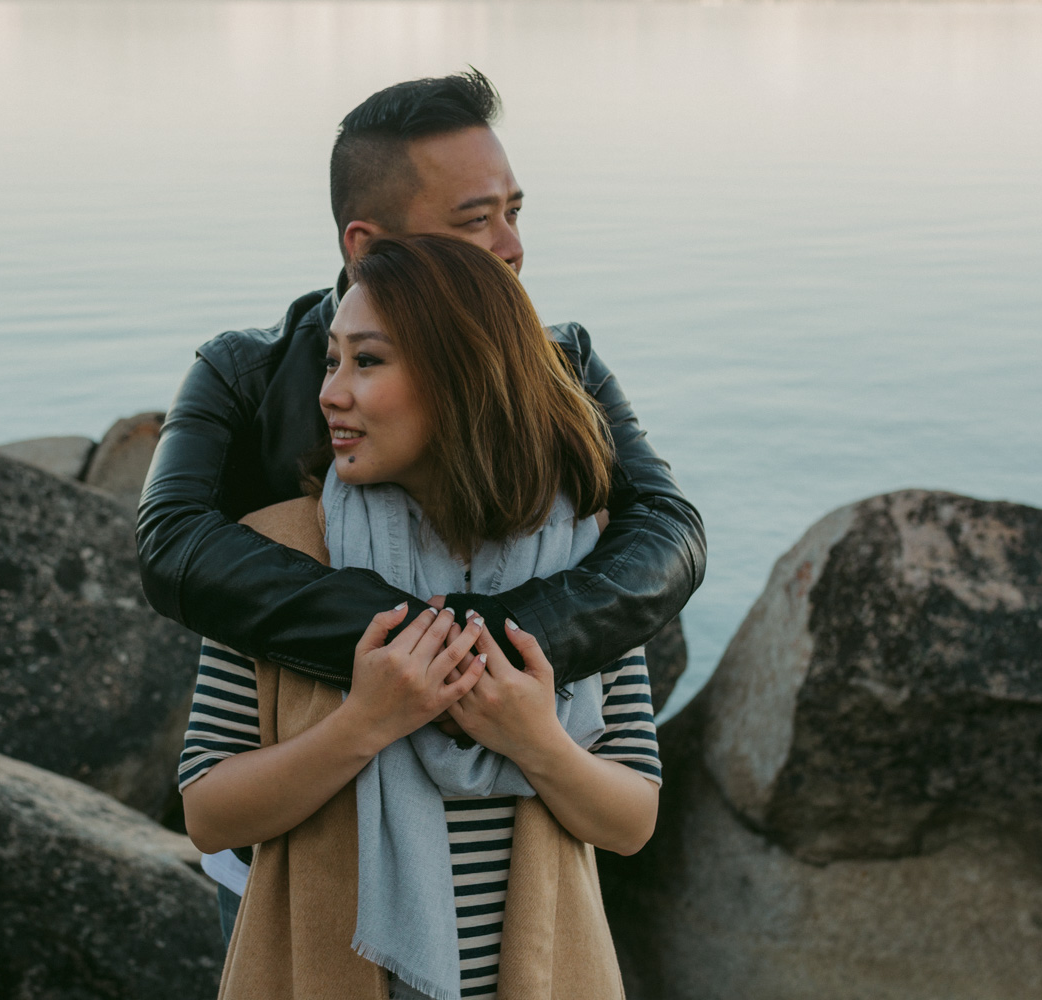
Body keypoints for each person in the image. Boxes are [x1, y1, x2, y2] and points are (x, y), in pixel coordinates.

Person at [137, 67, 702, 944]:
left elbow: (668, 533)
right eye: (476, 220)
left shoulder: (562, 369)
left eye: (515, 211)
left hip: (512, 891)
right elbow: (173, 547)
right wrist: (409, 645)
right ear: (368, 246)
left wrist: (497, 645)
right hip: (297, 874)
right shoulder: (245, 375)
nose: (512, 248)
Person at [179, 233, 662, 1000]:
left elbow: (632, 818)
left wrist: (536, 740)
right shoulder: (276, 556)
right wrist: (363, 723)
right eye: (331, 360)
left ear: (463, 378)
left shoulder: (582, 566)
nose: (330, 392)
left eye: (366, 361)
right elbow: (207, 811)